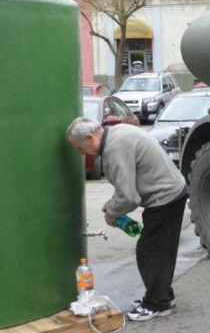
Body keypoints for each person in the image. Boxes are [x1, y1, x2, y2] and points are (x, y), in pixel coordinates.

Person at [66, 117, 188, 321]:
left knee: (150, 251)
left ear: (89, 137)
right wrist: (114, 202)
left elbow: (130, 197)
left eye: (80, 148)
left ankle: (157, 304)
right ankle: (163, 295)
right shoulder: (116, 132)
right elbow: (129, 184)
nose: (82, 153)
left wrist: (111, 213)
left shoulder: (114, 150)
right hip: (171, 192)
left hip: (164, 198)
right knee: (162, 249)